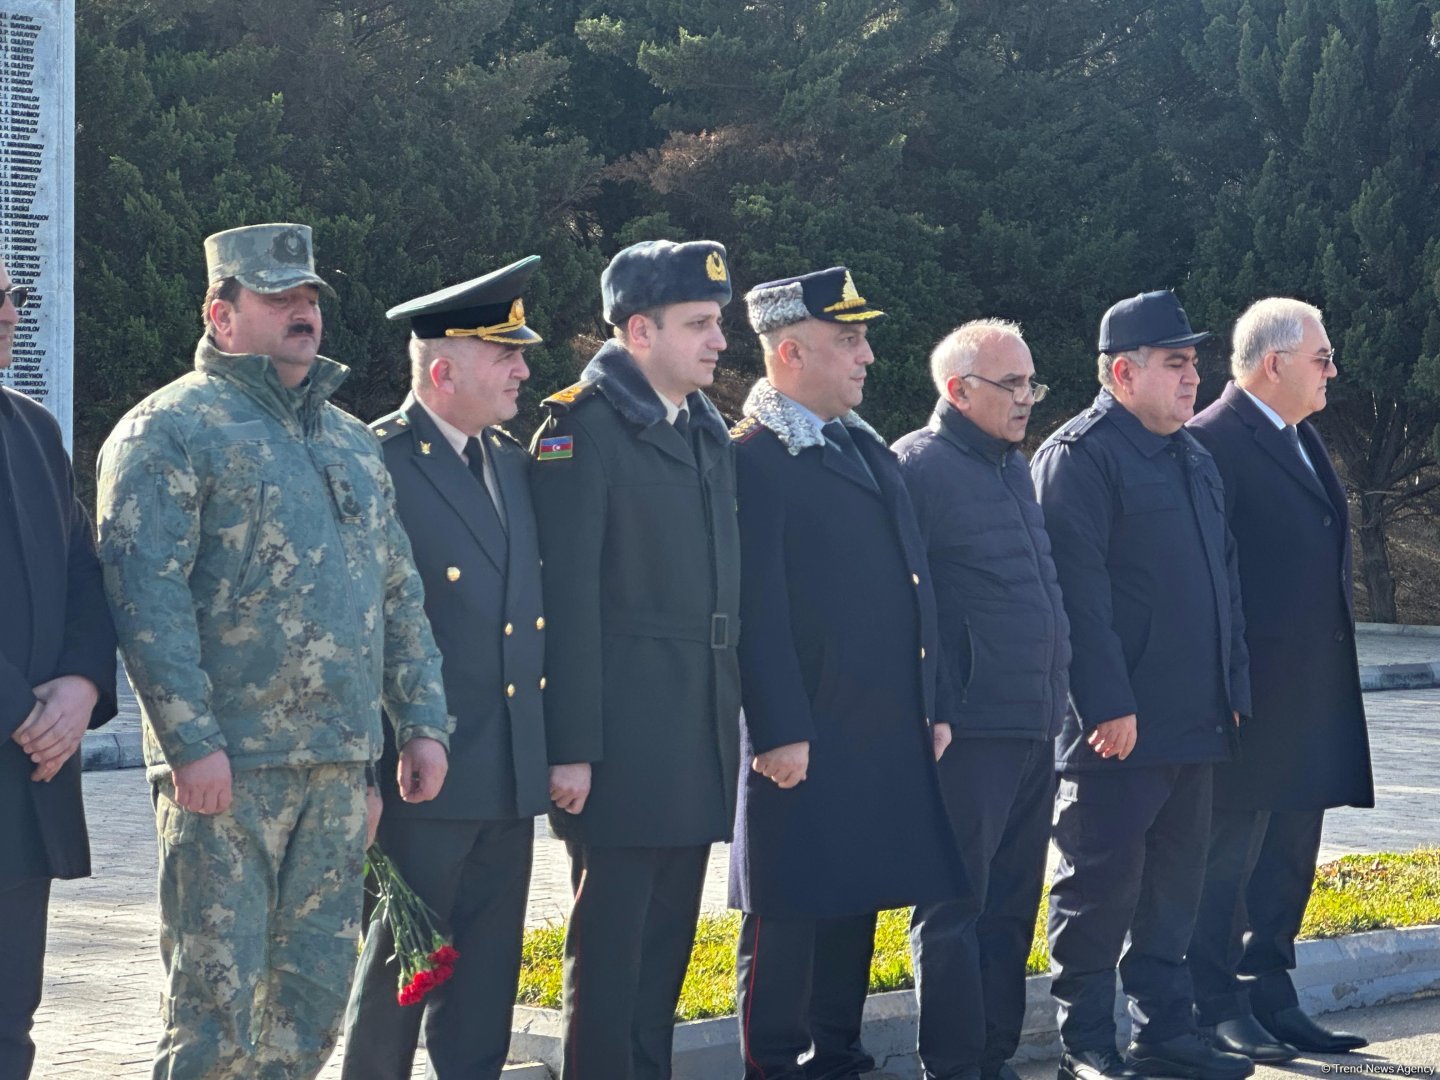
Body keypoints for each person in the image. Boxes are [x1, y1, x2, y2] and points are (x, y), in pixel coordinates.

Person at [95, 223, 450, 1080]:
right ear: (221, 315)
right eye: (278, 296)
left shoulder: (350, 441)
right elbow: (147, 602)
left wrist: (420, 724)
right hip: (229, 773)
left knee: (309, 1009)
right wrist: (190, 744)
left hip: (337, 769)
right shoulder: (167, 432)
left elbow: (397, 593)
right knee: (216, 1018)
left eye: (310, 297)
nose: (303, 311)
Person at [730, 266, 968, 1080]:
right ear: (790, 353)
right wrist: (777, 729)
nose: (867, 355)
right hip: (802, 729)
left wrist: (932, 701)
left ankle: (837, 1055)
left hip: (875, 723)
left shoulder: (863, 446)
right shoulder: (755, 457)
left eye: (864, 338)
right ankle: (772, 1065)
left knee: (853, 898)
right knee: (788, 907)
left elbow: (914, 583)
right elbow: (756, 607)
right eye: (848, 340)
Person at [528, 239, 741, 1080]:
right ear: (639, 330)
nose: (719, 340)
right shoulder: (580, 428)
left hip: (693, 727)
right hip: (622, 738)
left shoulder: (703, 427)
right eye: (699, 323)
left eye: (718, 322)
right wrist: (572, 746)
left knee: (665, 953)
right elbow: (566, 600)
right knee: (612, 959)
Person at [1030, 290, 1253, 1080]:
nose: (1194, 378)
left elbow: (1224, 582)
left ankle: (1164, 1033)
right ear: (1122, 373)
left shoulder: (1192, 455)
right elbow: (1075, 594)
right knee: (1098, 887)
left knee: (1174, 889)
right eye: (1175, 363)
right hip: (1116, 729)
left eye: (1194, 363)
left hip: (1196, 719)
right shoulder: (1080, 457)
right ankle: (1087, 1043)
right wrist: (1106, 705)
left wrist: (1233, 689)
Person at [341, 257, 549, 1079]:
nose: (523, 370)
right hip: (421, 773)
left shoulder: (511, 463)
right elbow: (358, 630)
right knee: (400, 974)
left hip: (505, 769)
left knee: (486, 982)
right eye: (506, 355)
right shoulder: (377, 461)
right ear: (443, 371)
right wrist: (366, 771)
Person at [1186, 298, 1373, 1058]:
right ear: (1274, 363)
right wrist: (1227, 686)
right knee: (1227, 860)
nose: (1333, 370)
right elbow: (1209, 580)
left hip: (1307, 694)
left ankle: (1270, 994)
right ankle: (1213, 1003)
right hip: (1251, 698)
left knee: (1287, 856)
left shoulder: (1300, 436)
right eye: (1321, 358)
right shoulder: (1211, 442)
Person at [893, 320, 1070, 1080]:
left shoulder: (1012, 467)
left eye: (1032, 383)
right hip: (965, 730)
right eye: (1012, 384)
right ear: (958, 390)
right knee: (955, 907)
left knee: (1010, 906)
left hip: (1033, 723)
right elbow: (904, 604)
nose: (1027, 398)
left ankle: (994, 1056)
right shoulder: (918, 466)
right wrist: (933, 705)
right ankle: (955, 1065)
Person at [0, 255, 118, 1080]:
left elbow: (84, 572)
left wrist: (80, 687)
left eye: (8, 295)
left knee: (9, 1022)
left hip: (21, 788)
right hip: (25, 738)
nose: (9, 313)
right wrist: (21, 710)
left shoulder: (32, 430)